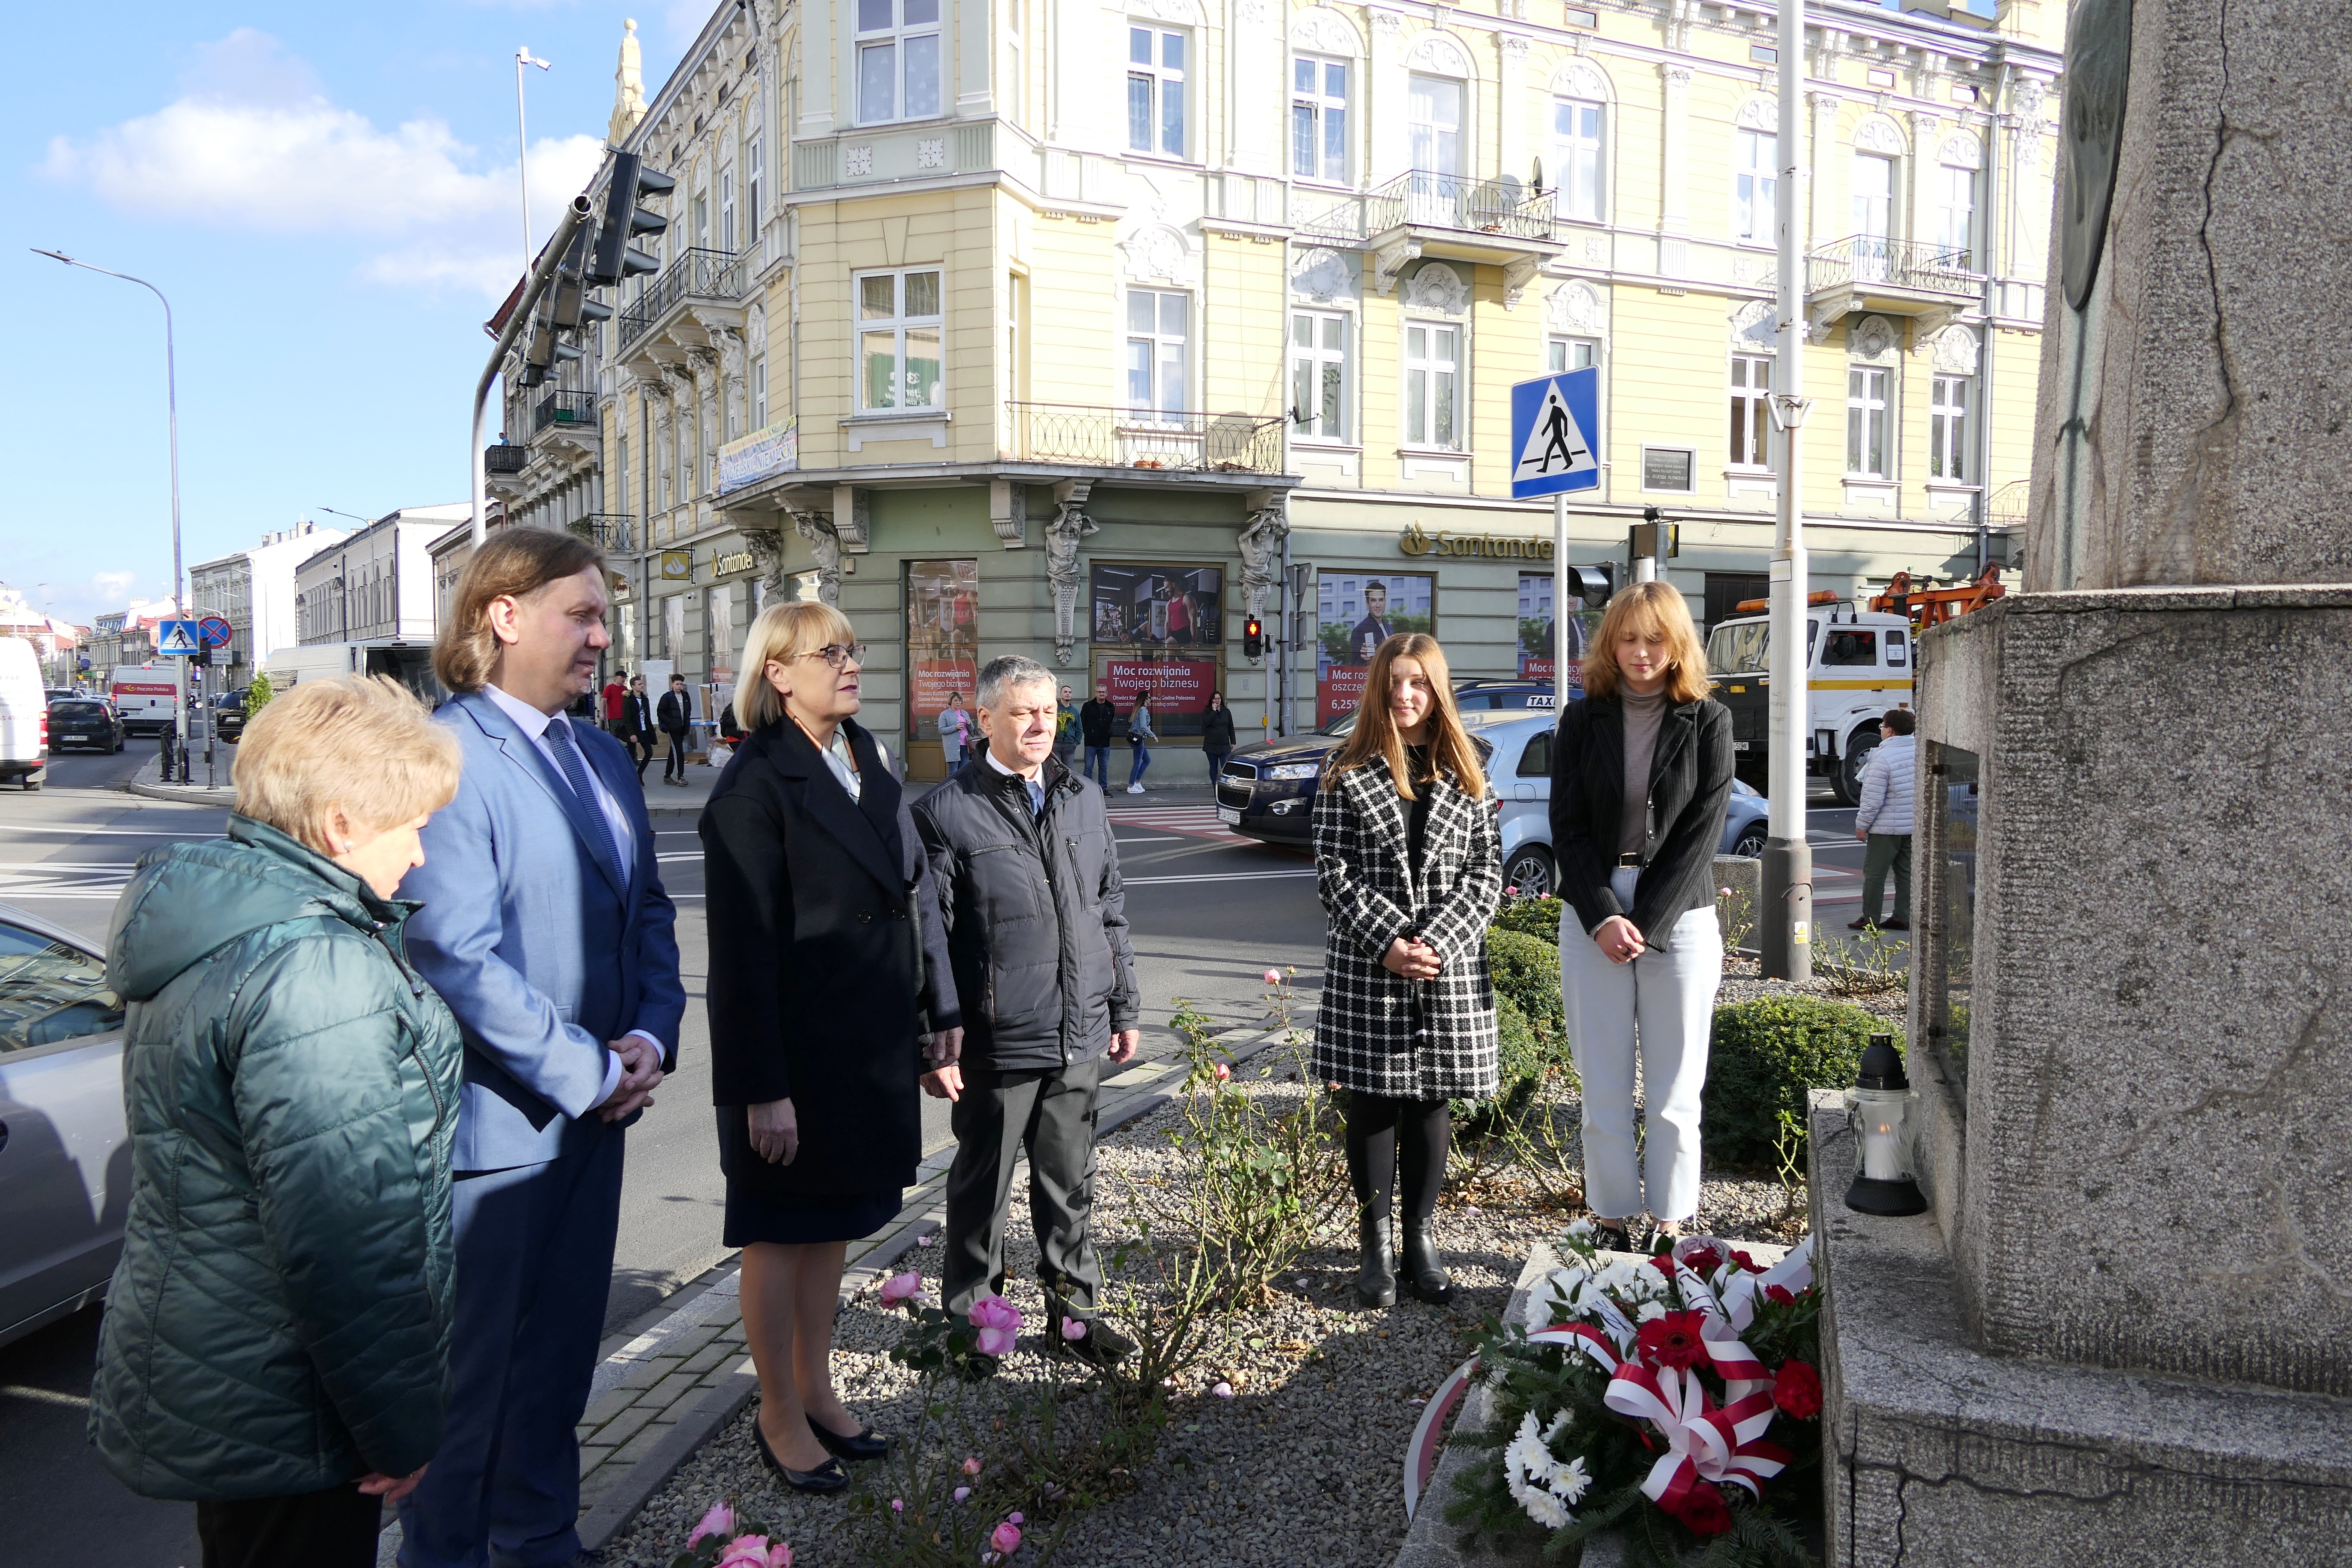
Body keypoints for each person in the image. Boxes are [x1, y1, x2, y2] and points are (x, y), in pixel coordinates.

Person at [90, 675, 466, 1568]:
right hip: (293, 1398)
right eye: (410, 823)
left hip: (235, 1373)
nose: (419, 852)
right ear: (341, 825)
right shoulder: (316, 970)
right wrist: (398, 1430)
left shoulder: (231, 929)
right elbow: (347, 1236)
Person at [396, 528, 686, 1568]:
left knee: (561, 1366)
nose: (603, 637)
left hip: (596, 1118)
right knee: (471, 1391)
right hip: (497, 1135)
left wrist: (652, 1033)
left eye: (604, 616)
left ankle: (541, 1542)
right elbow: (452, 952)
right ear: (503, 615)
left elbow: (645, 912)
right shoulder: (447, 752)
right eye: (584, 614)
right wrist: (587, 1071)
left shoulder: (603, 750)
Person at [699, 604, 962, 1494]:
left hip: (866, 1044)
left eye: (853, 649)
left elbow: (914, 899)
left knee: (834, 1230)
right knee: (779, 1234)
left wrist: (936, 1019)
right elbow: (741, 956)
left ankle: (816, 1387)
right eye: (829, 653)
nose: (850, 664)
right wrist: (761, 1089)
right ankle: (777, 1413)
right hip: (795, 1057)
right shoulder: (754, 784)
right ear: (778, 673)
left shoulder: (866, 760)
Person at [913, 655, 1142, 1368]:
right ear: (982, 720)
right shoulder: (944, 812)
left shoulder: (1083, 796)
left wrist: (1123, 1003)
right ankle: (976, 1328)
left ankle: (1073, 1318)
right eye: (1022, 711)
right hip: (996, 1039)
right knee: (981, 1191)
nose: (1040, 724)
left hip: (1078, 1028)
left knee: (1068, 1184)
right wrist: (935, 1039)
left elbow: (1109, 909)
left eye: (1049, 710)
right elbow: (930, 940)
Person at [1311, 634, 1501, 1308]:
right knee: (1372, 1100)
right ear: (1378, 687)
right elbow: (1333, 874)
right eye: (1394, 681)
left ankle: (1421, 1238)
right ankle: (1377, 1244)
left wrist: (1439, 942)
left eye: (1418, 682)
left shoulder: (1469, 766)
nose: (1405, 694)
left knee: (1431, 1099)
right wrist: (1390, 943)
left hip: (1446, 967)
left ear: (1437, 689)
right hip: (1373, 966)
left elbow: (1486, 873)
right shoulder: (1346, 767)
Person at [1548, 582, 1733, 1254]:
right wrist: (1602, 915)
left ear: (1677, 644)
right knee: (1601, 1080)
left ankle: (1671, 1220)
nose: (1641, 652)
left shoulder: (1708, 720)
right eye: (1628, 638)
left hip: (1680, 916)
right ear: (1610, 643)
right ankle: (1609, 1216)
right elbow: (1565, 829)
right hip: (1592, 907)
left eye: (1655, 639)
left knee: (1676, 1088)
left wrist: (1645, 922)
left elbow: (1701, 834)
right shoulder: (1580, 721)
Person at [1852, 707, 1917, 931]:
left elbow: (1872, 800)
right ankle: (1903, 916)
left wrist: (1862, 826)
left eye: (1882, 727)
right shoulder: (1920, 751)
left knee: (1875, 875)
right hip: (1912, 825)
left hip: (1885, 828)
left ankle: (1870, 918)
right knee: (1906, 873)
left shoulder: (1883, 757)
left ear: (1889, 731)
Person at [1079, 679, 1117, 791]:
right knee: (1088, 768)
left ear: (1107, 693)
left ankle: (1103, 789)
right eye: (1099, 692)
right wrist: (1089, 734)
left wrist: (1109, 734)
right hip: (1091, 743)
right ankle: (1087, 791)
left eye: (1103, 692)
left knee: (1104, 768)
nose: (1102, 694)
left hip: (1105, 743)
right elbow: (1082, 723)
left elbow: (1110, 722)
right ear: (1096, 693)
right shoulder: (1088, 706)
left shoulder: (1111, 707)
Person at [658, 672, 695, 786]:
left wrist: (686, 727)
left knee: (673, 752)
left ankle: (667, 776)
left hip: (683, 728)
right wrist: (670, 723)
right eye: (677, 684)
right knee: (679, 752)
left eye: (681, 684)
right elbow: (660, 712)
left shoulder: (686, 696)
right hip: (672, 729)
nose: (680, 686)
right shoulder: (667, 697)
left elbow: (688, 712)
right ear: (672, 684)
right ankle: (681, 777)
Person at [1350, 580, 1395, 665]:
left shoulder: (1389, 627)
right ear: (1367, 604)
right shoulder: (1360, 630)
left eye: (1381, 600)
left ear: (1385, 602)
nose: (1378, 605)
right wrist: (1366, 660)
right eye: (1374, 601)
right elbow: (1355, 666)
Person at [625, 674, 658, 780]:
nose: (642, 686)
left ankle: (640, 773)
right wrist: (632, 733)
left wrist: (651, 730)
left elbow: (647, 716)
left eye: (642, 684)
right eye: (639, 684)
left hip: (645, 729)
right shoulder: (628, 700)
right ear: (633, 687)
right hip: (634, 730)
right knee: (631, 755)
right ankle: (631, 777)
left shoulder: (645, 699)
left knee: (649, 752)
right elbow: (627, 719)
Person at [1202, 689, 1237, 784]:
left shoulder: (1226, 711)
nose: (1217, 701)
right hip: (1211, 745)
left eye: (1219, 699)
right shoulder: (1207, 711)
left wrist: (1233, 742)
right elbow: (1206, 723)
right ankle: (1215, 787)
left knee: (1226, 766)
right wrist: (1214, 712)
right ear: (1212, 701)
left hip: (1224, 745)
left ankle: (1225, 786)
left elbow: (1231, 727)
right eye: (1215, 699)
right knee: (1213, 766)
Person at [1124, 688, 1156, 794]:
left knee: (1147, 760)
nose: (1151, 700)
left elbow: (1141, 725)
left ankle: (1137, 781)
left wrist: (1147, 727)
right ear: (1145, 699)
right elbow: (1143, 726)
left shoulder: (1140, 709)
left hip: (1136, 738)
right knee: (1138, 763)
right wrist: (1153, 736)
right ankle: (1131, 785)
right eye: (1149, 698)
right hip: (1138, 739)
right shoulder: (1143, 710)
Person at [940, 692, 974, 772]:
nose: (958, 703)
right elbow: (941, 730)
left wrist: (970, 724)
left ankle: (961, 786)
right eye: (955, 701)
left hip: (965, 745)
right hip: (953, 746)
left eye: (960, 701)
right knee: (954, 771)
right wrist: (955, 727)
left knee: (963, 771)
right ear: (951, 702)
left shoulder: (965, 713)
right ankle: (951, 785)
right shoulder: (945, 715)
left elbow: (972, 730)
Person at [1053, 683, 1080, 766]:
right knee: (1056, 770)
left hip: (1070, 745)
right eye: (1065, 692)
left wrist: (1076, 743)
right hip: (1056, 745)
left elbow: (1079, 729)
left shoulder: (1075, 712)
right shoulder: (1055, 709)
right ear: (1061, 694)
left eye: (1070, 692)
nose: (1068, 694)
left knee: (1068, 771)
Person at [602, 669, 628, 740]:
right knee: (614, 735)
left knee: (625, 735)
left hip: (624, 716)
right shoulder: (609, 688)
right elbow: (604, 700)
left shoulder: (625, 689)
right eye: (622, 677)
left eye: (625, 678)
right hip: (613, 716)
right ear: (616, 677)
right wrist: (602, 713)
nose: (624, 679)